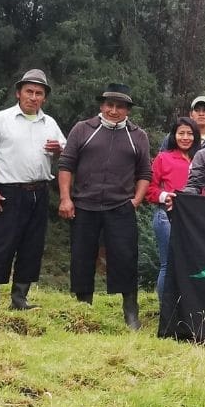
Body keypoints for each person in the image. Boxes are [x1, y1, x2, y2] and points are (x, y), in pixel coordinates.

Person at [58, 83, 151, 329]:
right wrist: (65, 198)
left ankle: (131, 312)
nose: (113, 110)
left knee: (125, 258)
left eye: (120, 106)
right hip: (84, 205)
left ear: (127, 110)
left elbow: (144, 173)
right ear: (102, 106)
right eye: (109, 105)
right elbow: (66, 165)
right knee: (82, 257)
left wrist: (137, 199)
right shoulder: (82, 129)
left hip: (120, 206)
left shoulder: (137, 135)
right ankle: (83, 309)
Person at [0, 68, 66, 310]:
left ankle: (19, 299)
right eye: (29, 91)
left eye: (39, 93)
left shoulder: (50, 123)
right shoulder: (0, 120)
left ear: (44, 97)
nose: (33, 97)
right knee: (1, 244)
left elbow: (65, 155)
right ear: (18, 93)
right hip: (7, 192)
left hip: (39, 191)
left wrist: (59, 151)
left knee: (32, 246)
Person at [146, 118, 197, 300]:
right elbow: (149, 189)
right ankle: (166, 310)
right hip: (166, 216)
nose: (185, 137)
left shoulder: (202, 158)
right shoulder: (163, 158)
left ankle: (187, 309)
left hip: (196, 220)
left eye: (190, 133)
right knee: (169, 264)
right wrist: (165, 196)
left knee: (193, 264)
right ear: (174, 136)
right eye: (181, 133)